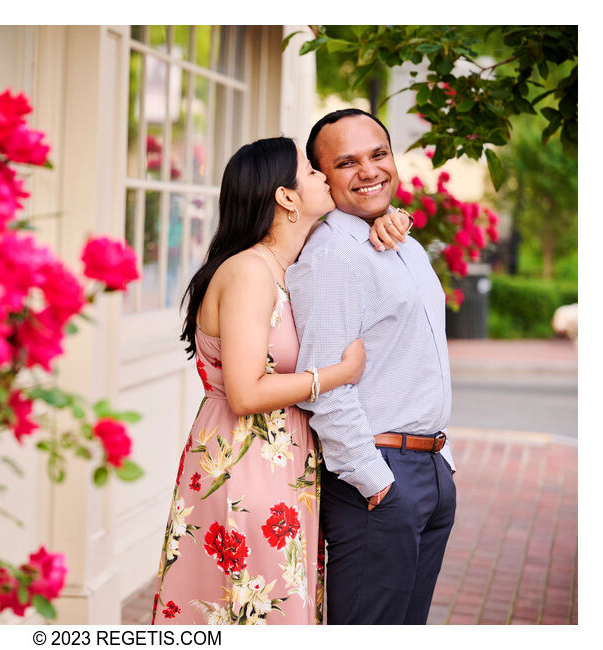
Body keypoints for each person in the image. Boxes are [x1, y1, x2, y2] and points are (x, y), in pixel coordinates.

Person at [151, 136, 411, 625]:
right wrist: (337, 375)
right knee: (256, 611)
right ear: (286, 197)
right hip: (246, 462)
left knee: (279, 607)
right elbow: (246, 392)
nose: (323, 176)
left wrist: (390, 217)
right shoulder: (250, 271)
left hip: (285, 461)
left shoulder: (287, 265)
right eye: (311, 172)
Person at [286, 108, 457, 625]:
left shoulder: (403, 245)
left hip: (430, 466)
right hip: (380, 478)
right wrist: (375, 482)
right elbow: (324, 384)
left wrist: (444, 466)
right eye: (346, 162)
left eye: (378, 154)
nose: (369, 171)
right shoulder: (333, 257)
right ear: (322, 177)